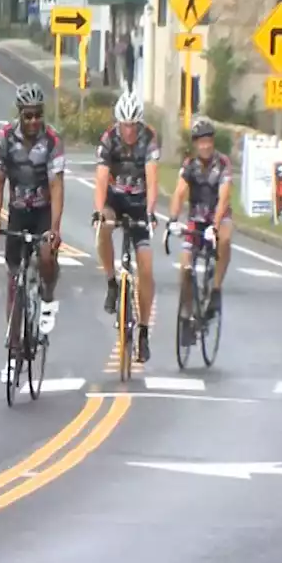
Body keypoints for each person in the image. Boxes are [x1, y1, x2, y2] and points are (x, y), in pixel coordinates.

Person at [0, 82, 65, 342]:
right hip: (18, 211)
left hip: (43, 210)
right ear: (20, 114)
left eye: (38, 114)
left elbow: (56, 184)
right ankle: (13, 341)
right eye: (28, 115)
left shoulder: (53, 139)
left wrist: (55, 228)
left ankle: (47, 298)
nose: (34, 120)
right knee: (13, 277)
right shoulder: (6, 137)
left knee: (46, 254)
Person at [93, 89, 160, 363]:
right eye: (125, 125)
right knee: (104, 228)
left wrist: (151, 211)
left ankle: (143, 332)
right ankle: (111, 281)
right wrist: (99, 212)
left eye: (133, 125)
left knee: (145, 265)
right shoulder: (109, 140)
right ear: (118, 122)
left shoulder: (149, 139)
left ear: (140, 123)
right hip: (115, 200)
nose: (129, 131)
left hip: (139, 202)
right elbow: (100, 180)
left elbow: (153, 180)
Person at [167, 117, 233, 338]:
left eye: (208, 141)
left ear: (213, 142)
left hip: (218, 216)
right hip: (196, 218)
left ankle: (214, 290)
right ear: (195, 144)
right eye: (200, 142)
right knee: (185, 268)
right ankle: (186, 315)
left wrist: (214, 227)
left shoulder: (223, 164)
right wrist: (173, 219)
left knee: (225, 239)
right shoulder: (189, 165)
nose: (205, 146)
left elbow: (224, 198)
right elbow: (178, 192)